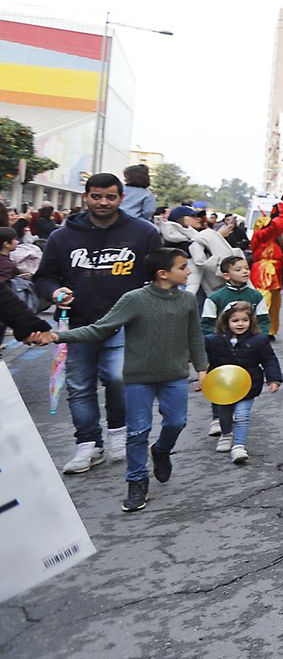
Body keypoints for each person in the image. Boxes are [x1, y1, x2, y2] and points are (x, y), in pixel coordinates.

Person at [39, 246, 207, 513]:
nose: (188, 271)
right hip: (139, 378)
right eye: (182, 267)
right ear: (163, 274)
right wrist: (58, 336)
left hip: (174, 375)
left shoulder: (187, 300)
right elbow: (99, 329)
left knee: (177, 422)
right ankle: (136, 481)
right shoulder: (134, 299)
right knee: (137, 432)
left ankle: (162, 450)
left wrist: (202, 367)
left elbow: (194, 336)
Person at [33, 173, 163, 473]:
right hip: (77, 326)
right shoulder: (62, 236)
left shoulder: (143, 232)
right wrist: (54, 292)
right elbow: (44, 277)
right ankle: (88, 445)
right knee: (79, 385)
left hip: (125, 323)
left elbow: (159, 274)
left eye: (110, 196)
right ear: (86, 197)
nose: (103, 202)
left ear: (120, 198)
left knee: (118, 377)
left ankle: (118, 431)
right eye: (96, 196)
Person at [203, 301, 283, 465]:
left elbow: (269, 359)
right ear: (226, 321)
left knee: (241, 415)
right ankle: (226, 434)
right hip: (223, 387)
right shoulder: (213, 340)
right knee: (224, 414)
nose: (240, 324)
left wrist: (274, 379)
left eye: (244, 320)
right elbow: (204, 360)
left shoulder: (259, 340)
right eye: (235, 320)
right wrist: (203, 377)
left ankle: (239, 446)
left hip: (248, 384)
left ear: (251, 321)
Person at [169, 206, 236, 296]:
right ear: (180, 220)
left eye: (199, 216)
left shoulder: (198, 234)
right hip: (185, 286)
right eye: (193, 216)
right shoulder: (172, 237)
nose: (198, 219)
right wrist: (218, 235)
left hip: (205, 286)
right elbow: (188, 249)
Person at [201, 254, 268, 335]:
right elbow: (207, 324)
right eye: (238, 269)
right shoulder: (214, 299)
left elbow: (264, 321)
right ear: (226, 276)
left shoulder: (257, 296)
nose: (245, 271)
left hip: (251, 342)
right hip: (223, 342)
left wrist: (259, 338)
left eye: (247, 268)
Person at [250, 214, 283, 338]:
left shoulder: (273, 242)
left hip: (275, 273)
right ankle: (258, 330)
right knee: (263, 301)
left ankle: (270, 330)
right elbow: (275, 228)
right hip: (262, 272)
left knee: (275, 304)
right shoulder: (259, 236)